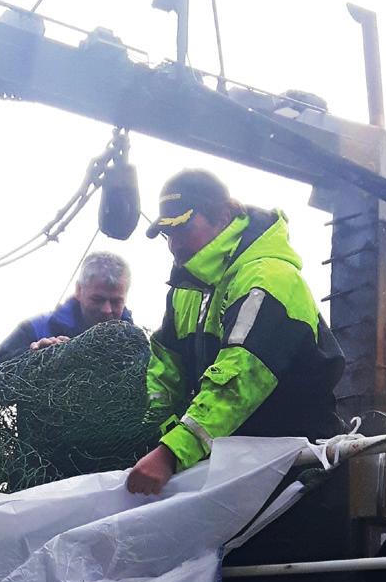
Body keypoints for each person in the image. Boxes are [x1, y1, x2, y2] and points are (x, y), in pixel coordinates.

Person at [127, 169, 344, 495]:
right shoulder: (185, 289)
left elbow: (239, 378)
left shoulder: (268, 277)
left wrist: (171, 453)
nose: (174, 244)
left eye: (182, 227)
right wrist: (150, 436)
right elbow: (164, 374)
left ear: (224, 215)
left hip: (298, 475)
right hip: (229, 476)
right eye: (166, 233)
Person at [0, 251, 133, 365]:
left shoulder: (138, 347)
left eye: (116, 301)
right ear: (79, 290)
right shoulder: (36, 329)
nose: (106, 310)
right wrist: (33, 358)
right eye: (97, 299)